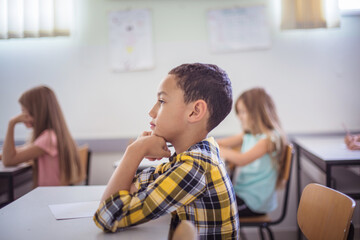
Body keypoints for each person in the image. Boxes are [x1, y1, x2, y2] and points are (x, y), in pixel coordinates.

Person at [93, 63, 240, 239]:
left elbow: (108, 217)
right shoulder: (194, 156)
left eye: (162, 101)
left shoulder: (195, 168)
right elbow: (132, 188)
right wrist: (138, 149)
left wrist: (135, 150)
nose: (151, 112)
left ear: (195, 111)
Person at [217, 87, 287, 217]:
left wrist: (218, 149)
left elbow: (242, 160)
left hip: (254, 202)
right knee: (209, 203)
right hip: (243, 195)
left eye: (243, 112)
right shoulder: (249, 134)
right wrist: (207, 143)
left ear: (256, 112)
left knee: (209, 208)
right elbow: (222, 142)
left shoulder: (269, 138)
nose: (239, 117)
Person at [0, 86, 82, 186]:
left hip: (50, 196)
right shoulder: (51, 135)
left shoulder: (48, 139)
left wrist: (11, 123)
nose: (21, 116)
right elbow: (13, 153)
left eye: (23, 111)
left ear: (35, 112)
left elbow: (8, 160)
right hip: (53, 193)